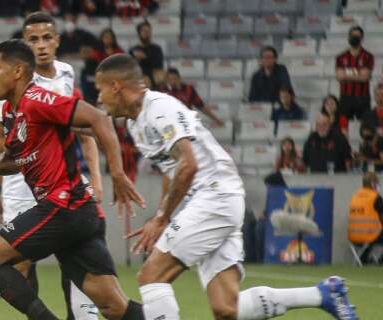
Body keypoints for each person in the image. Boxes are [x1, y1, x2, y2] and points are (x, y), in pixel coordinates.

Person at [94, 53, 358, 320]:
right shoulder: (134, 123)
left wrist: (162, 218)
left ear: (116, 86)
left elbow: (189, 165)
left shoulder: (159, 109)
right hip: (213, 199)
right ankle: (324, 293)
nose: (99, 97)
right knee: (226, 308)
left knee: (151, 276)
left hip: (214, 195)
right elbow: (173, 170)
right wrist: (167, 213)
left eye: (100, 89)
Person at [0, 13, 104, 320]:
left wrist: (97, 177)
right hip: (23, 183)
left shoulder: (65, 75)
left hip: (61, 181)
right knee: (17, 263)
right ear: (23, 48)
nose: (41, 45)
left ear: (57, 41)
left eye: (46, 38)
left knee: (67, 262)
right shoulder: (11, 88)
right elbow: (2, 145)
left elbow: (85, 129)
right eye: (33, 39)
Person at [0, 39, 146, 320]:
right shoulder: (15, 114)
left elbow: (99, 119)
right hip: (79, 214)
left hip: (63, 206)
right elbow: (18, 161)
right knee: (114, 308)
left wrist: (118, 174)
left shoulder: (38, 100)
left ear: (17, 72)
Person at [159, 67, 224, 126]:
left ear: (179, 78)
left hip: (187, 122)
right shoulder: (162, 90)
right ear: (165, 80)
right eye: (169, 79)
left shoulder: (188, 89)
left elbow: (201, 107)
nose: (172, 82)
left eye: (174, 79)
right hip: (169, 123)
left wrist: (216, 119)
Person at [336, 26, 374, 121]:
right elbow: (339, 77)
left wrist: (347, 74)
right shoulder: (340, 57)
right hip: (345, 97)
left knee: (366, 127)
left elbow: (365, 77)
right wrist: (358, 73)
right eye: (352, 36)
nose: (354, 38)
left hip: (363, 97)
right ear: (348, 37)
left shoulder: (368, 56)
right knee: (343, 126)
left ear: (362, 38)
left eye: (357, 36)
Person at [81, 28, 124, 104]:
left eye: (110, 37)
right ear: (102, 39)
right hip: (99, 75)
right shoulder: (97, 51)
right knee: (84, 74)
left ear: (113, 39)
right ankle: (89, 100)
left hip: (113, 75)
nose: (108, 39)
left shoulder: (118, 51)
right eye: (106, 37)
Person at [348, 172, 383, 264]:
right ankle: (379, 260)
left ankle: (364, 259)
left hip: (353, 237)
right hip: (369, 235)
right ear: (373, 184)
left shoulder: (355, 195)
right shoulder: (375, 197)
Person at [128, 21, 164, 87]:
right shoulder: (133, 50)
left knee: (160, 75)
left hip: (154, 75)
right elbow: (131, 68)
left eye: (149, 31)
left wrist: (144, 58)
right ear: (139, 33)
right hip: (139, 77)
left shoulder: (156, 48)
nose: (147, 33)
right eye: (144, 31)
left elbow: (159, 65)